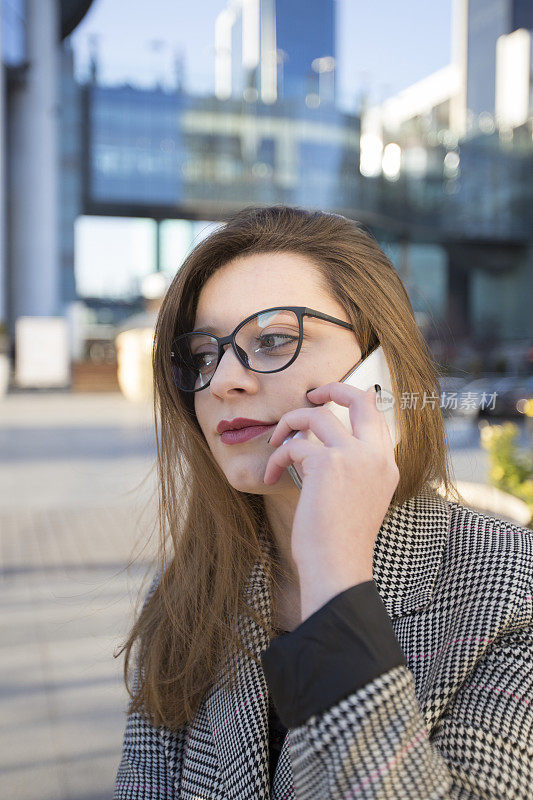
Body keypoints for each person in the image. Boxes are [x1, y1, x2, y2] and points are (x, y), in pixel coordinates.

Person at [114, 205, 533, 799]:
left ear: (379, 370)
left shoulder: (513, 589)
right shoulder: (190, 591)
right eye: (203, 353)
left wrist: (335, 576)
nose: (223, 381)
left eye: (275, 339)